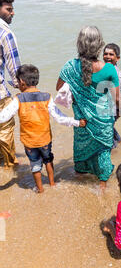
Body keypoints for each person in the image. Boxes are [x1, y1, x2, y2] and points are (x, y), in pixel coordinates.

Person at [56, 26, 121, 190]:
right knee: (103, 155)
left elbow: (59, 88)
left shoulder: (70, 66)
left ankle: (78, 188)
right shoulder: (109, 69)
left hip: (82, 121)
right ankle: (102, 190)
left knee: (81, 153)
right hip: (103, 122)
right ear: (99, 45)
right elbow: (118, 99)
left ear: (79, 44)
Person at [0, 64, 86, 193]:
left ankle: (40, 189)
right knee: (48, 159)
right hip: (45, 140)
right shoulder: (47, 97)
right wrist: (77, 122)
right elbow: (59, 117)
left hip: (29, 142)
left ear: (22, 82)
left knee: (35, 164)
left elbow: (3, 116)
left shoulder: (18, 99)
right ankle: (52, 184)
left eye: (17, 82)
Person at [0, 0, 21, 169]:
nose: (12, 13)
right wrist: (23, 87)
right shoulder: (5, 33)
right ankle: (9, 165)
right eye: (9, 9)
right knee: (5, 128)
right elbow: (14, 67)